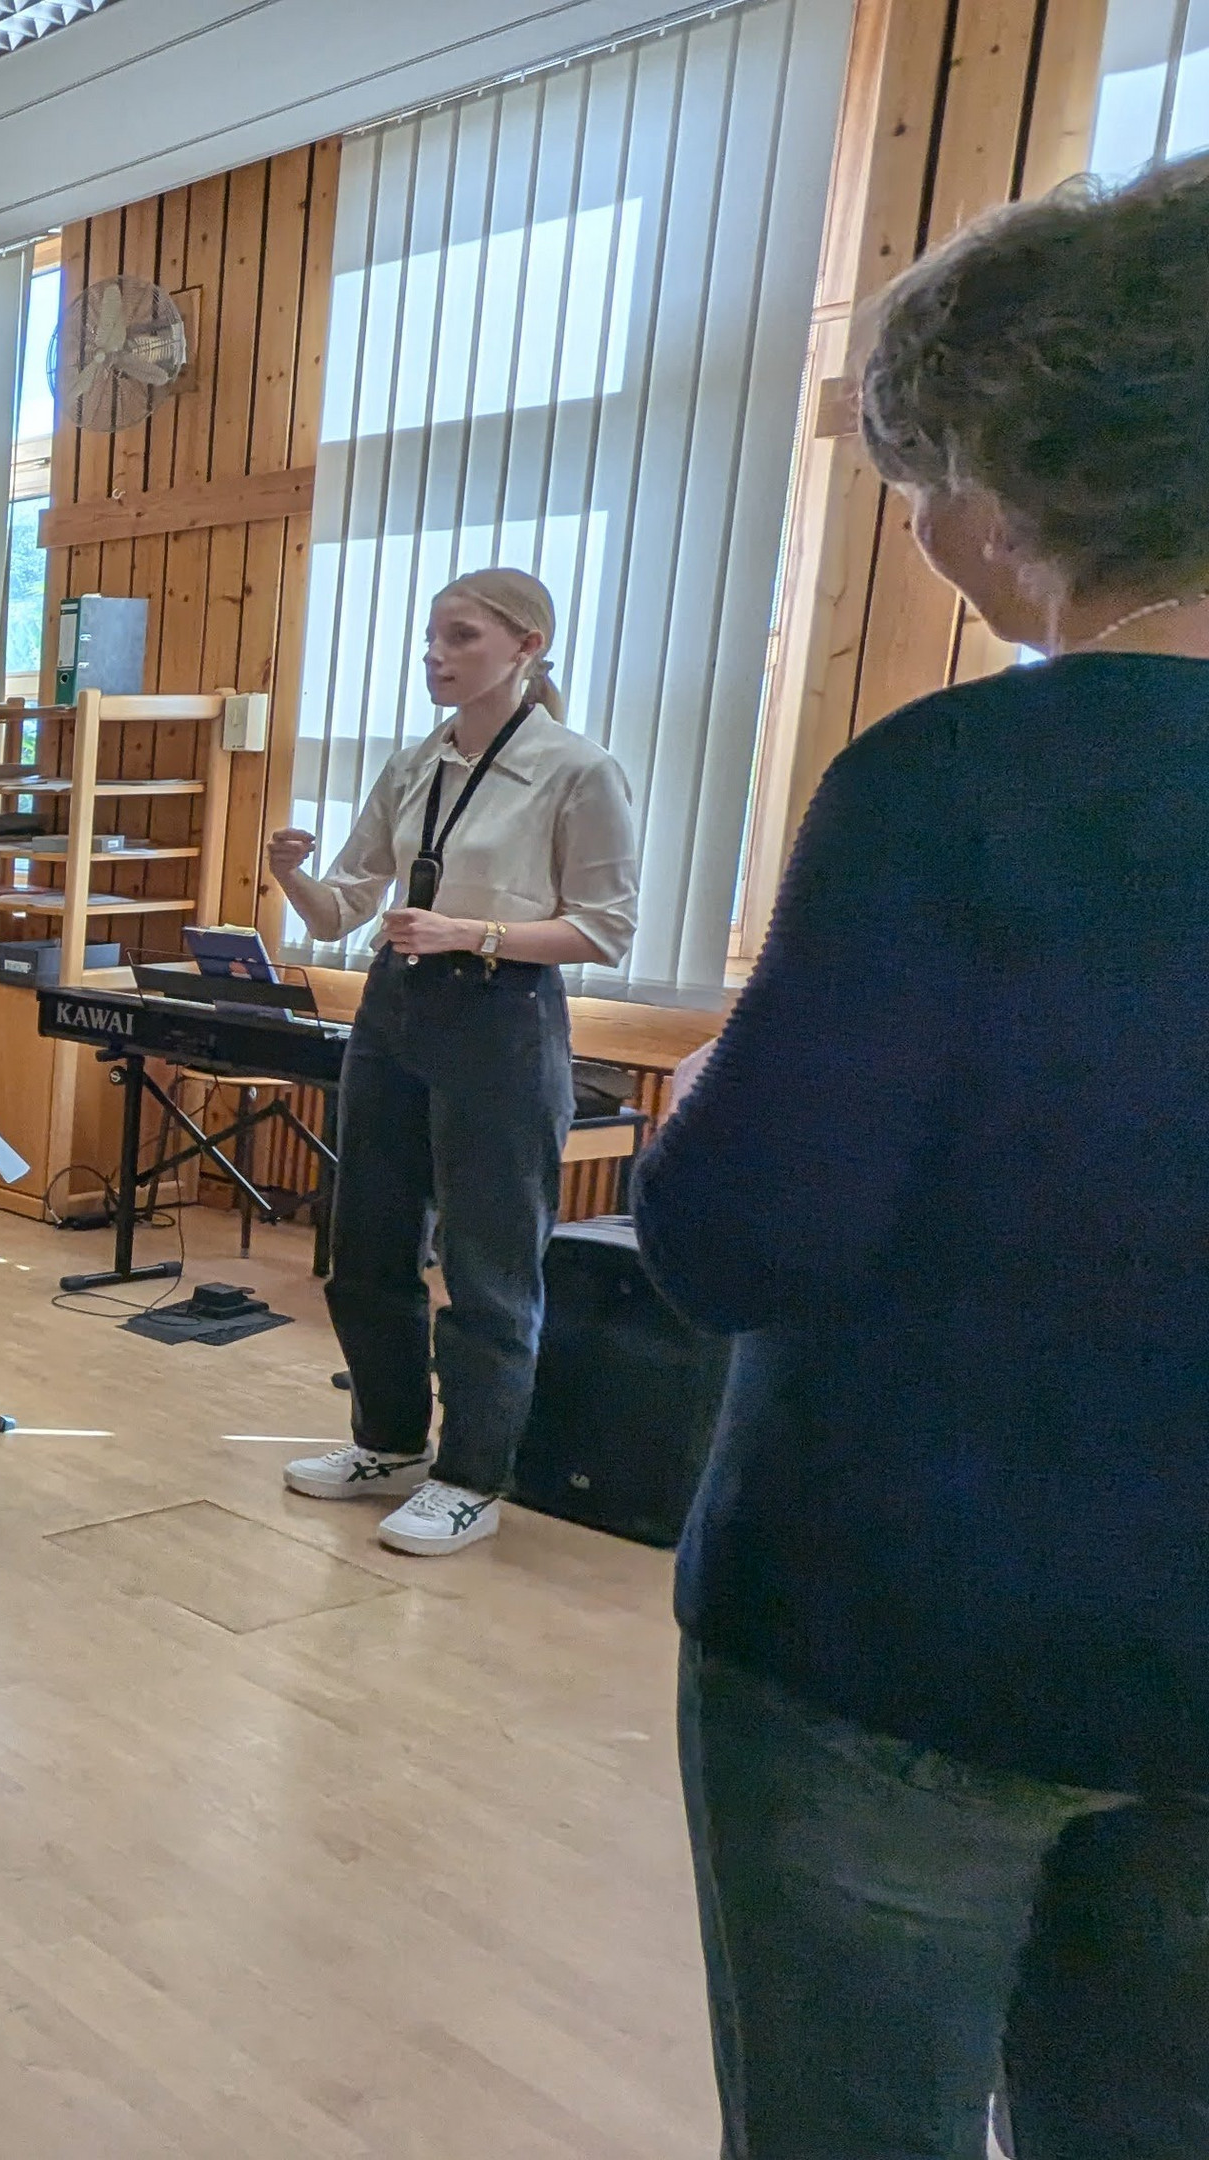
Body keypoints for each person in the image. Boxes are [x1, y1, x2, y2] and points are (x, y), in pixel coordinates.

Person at [639, 155, 1209, 2158]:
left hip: (901, 1636)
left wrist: (709, 1093)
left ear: (1010, 480)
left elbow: (742, 1237)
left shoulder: (949, 787)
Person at [261, 568, 636, 1558]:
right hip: (396, 1009)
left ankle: (473, 1478)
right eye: (431, 637)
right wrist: (291, 872)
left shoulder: (576, 770)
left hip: (501, 1019)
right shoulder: (415, 763)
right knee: (368, 1247)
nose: (437, 654)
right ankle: (387, 1445)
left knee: (487, 1266)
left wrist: (474, 931)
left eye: (461, 637)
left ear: (526, 648)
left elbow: (605, 930)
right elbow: (345, 908)